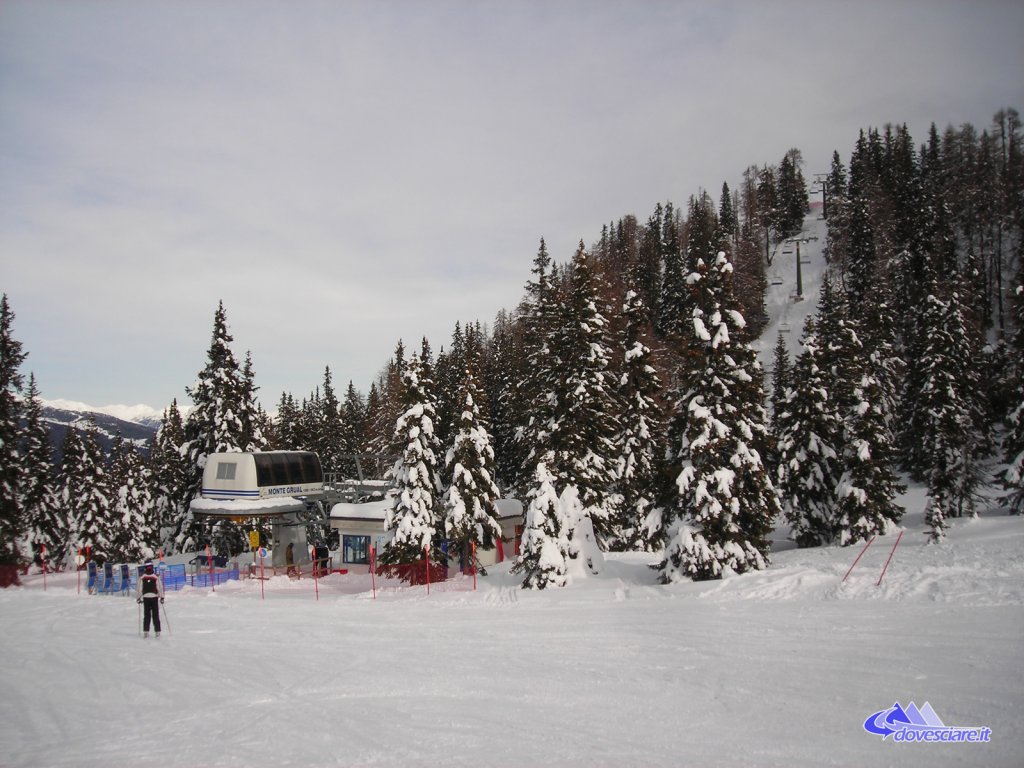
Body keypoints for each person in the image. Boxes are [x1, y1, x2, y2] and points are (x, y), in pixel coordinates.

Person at [135, 561, 165, 638]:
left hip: (146, 598)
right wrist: (162, 597)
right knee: (155, 615)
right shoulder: (155, 577)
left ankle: (146, 631)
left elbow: (139, 588)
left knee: (147, 615)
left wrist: (138, 597)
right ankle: (157, 631)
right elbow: (160, 588)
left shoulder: (142, 577)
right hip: (154, 597)